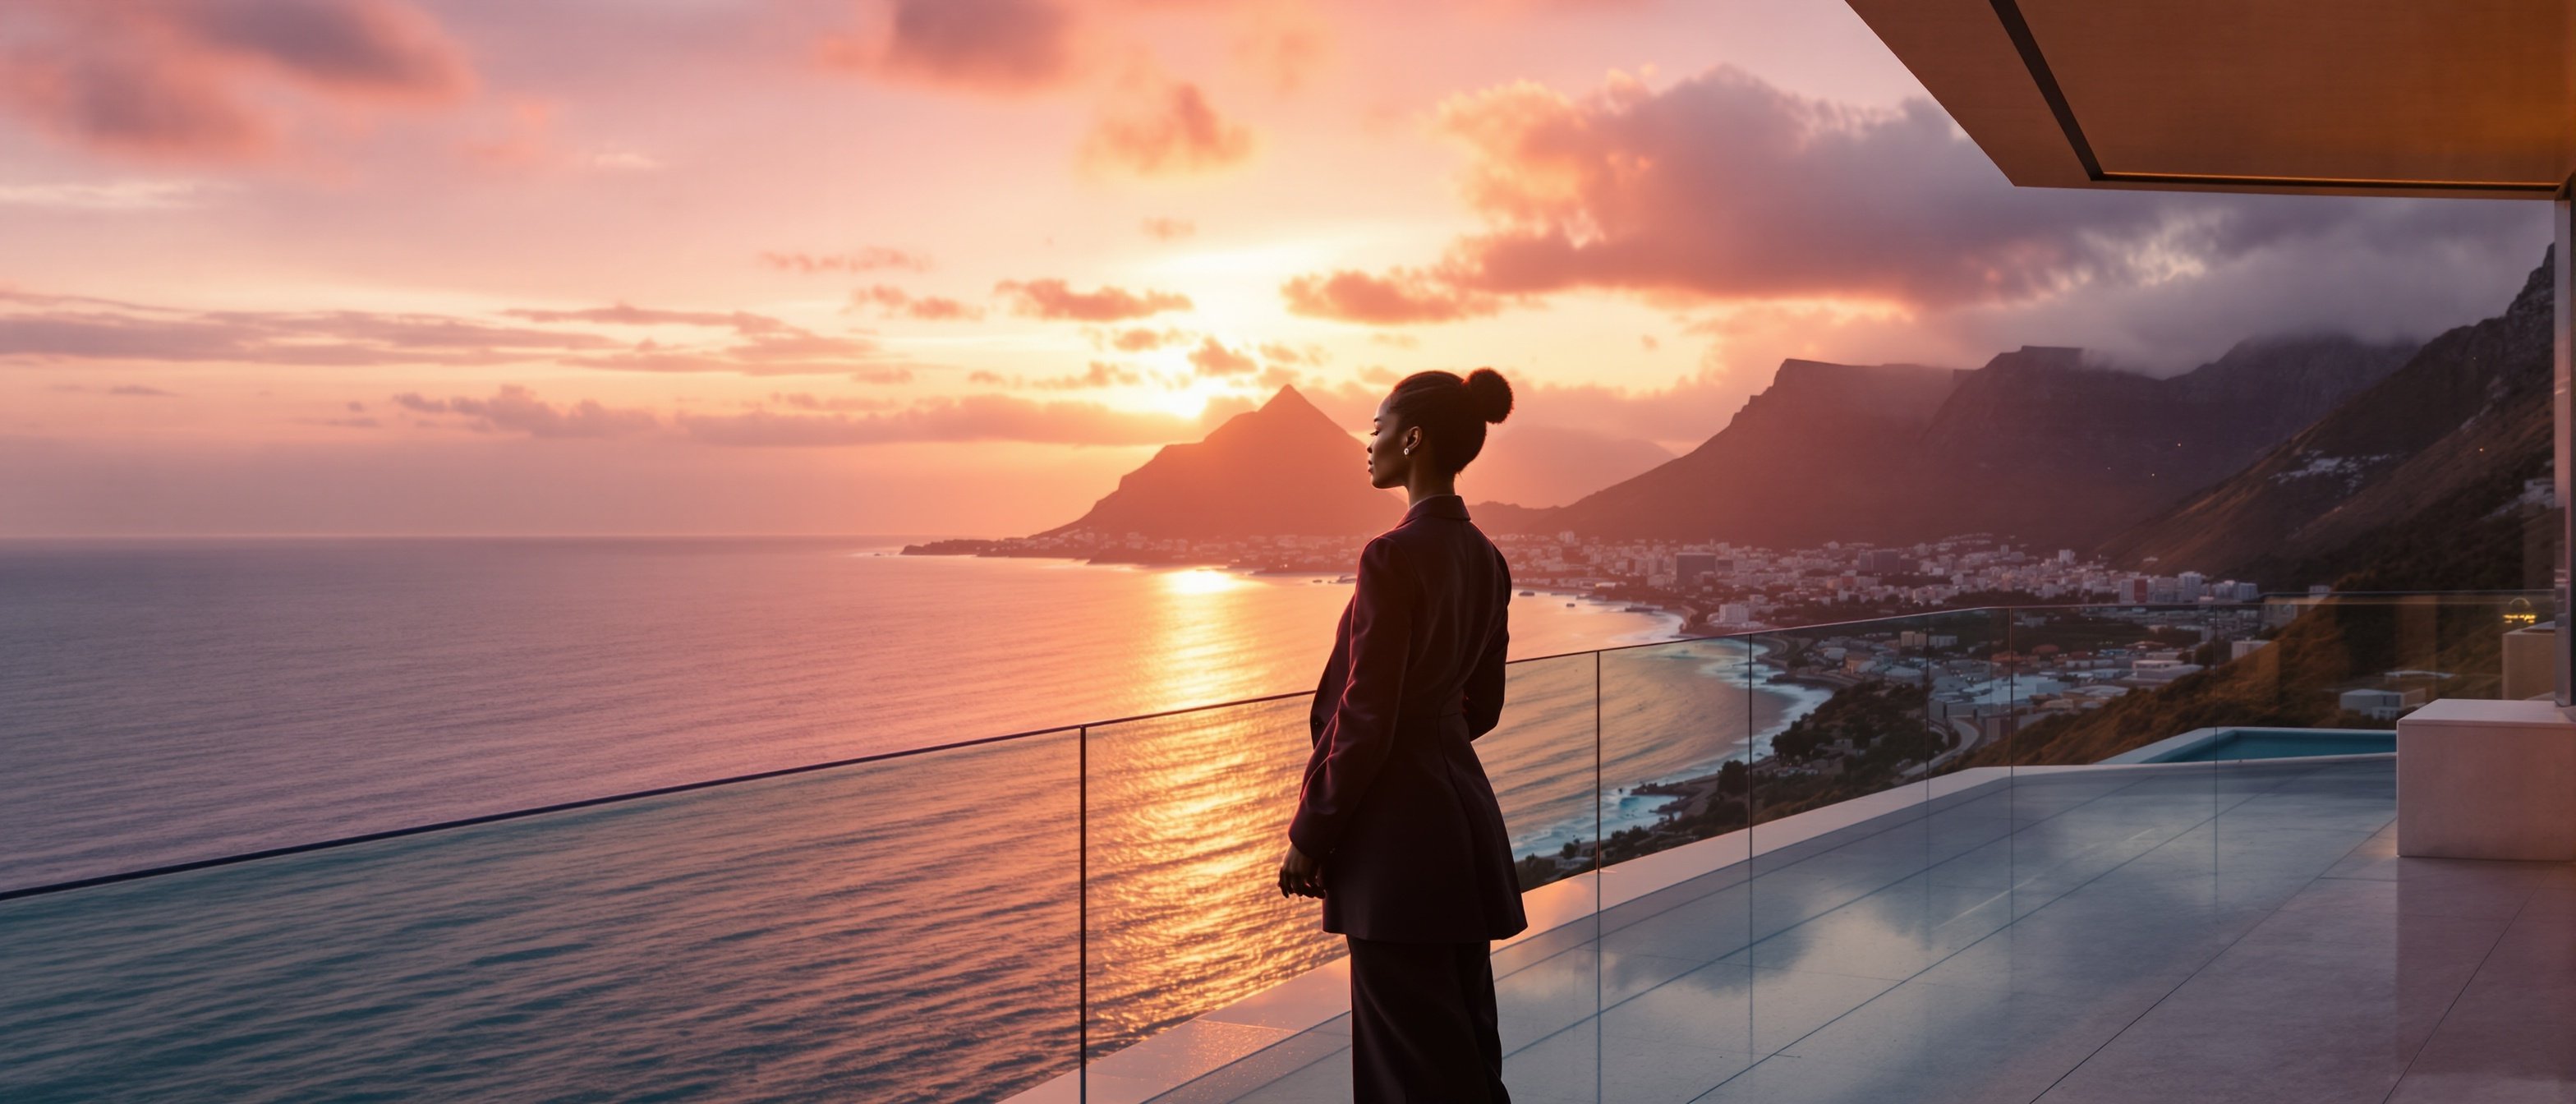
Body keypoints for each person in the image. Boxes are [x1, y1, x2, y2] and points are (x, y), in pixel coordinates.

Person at [1276, 366, 1527, 1102]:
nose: (1369, 441)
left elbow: (1365, 714)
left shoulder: (1391, 555)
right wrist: (1434, 739)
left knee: (1407, 1073)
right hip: (1465, 829)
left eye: (1377, 427)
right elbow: (1482, 707)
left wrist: (1312, 831)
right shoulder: (1487, 558)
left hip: (1398, 852)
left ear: (1412, 440)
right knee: (1466, 1055)